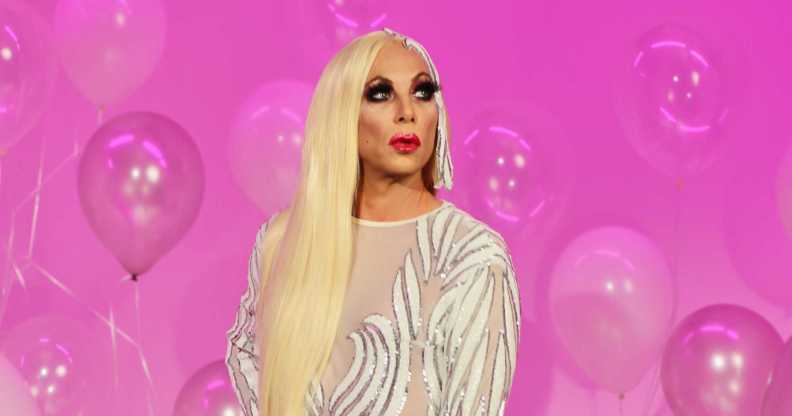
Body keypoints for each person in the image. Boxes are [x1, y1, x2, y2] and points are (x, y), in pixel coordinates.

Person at [225, 27, 522, 416]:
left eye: (423, 91)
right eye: (380, 94)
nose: (407, 111)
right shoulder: (282, 242)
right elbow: (252, 369)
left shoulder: (470, 254)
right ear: (341, 111)